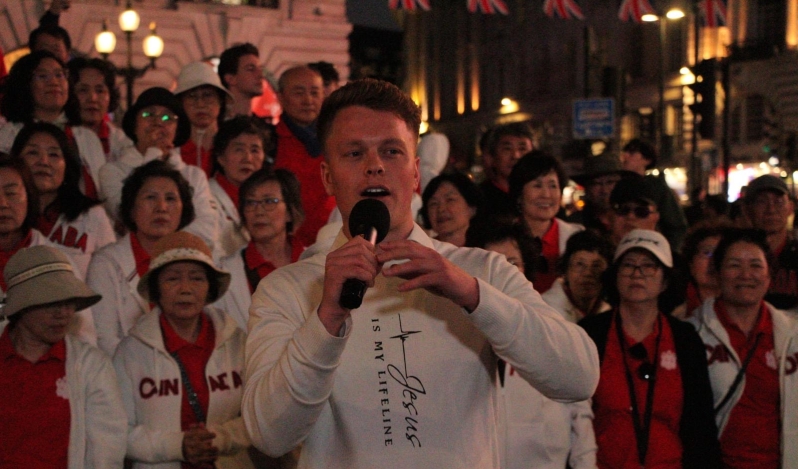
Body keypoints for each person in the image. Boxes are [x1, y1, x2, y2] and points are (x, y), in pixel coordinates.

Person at [242, 78, 599, 468]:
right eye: (354, 153)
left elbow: (578, 377)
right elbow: (269, 435)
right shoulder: (286, 289)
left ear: (415, 173)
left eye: (391, 151)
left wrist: (472, 295)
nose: (374, 165)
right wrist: (326, 319)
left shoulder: (481, 271)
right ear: (328, 176)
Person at [578, 229, 721, 468]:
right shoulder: (590, 333)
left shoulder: (685, 339)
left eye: (648, 266)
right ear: (615, 276)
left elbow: (701, 425)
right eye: (628, 265)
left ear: (665, 280)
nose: (637, 274)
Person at [114, 231, 254, 468]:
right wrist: (177, 445)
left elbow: (258, 415)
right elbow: (118, 430)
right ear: (156, 289)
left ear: (209, 288)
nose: (185, 289)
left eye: (197, 278)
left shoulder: (237, 342)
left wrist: (219, 439)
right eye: (172, 279)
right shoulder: (130, 352)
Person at [480, 225, 598, 469]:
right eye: (493, 263)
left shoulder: (551, 327)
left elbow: (580, 413)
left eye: (512, 263)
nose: (503, 271)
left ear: (526, 269)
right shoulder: (459, 331)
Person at [0, 245, 127, 468]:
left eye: (69, 301)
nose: (63, 313)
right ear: (22, 306)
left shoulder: (91, 366)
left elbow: (106, 451)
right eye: (51, 302)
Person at [686, 229, 798, 468]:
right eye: (734, 265)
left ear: (769, 276)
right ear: (717, 274)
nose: (746, 275)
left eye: (756, 265)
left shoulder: (793, 334)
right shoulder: (690, 334)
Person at [88, 160, 195, 356]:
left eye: (170, 198)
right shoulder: (106, 263)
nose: (161, 207)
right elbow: (104, 339)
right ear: (131, 208)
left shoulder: (196, 259)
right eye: (150, 197)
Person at [98, 87, 219, 251]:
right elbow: (132, 219)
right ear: (134, 125)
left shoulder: (194, 175)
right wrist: (154, 153)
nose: (158, 122)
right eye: (148, 115)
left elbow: (207, 229)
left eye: (167, 117)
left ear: (176, 130)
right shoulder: (112, 172)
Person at [10, 122, 115, 278]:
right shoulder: (7, 215)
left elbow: (112, 273)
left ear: (67, 165)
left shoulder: (92, 215)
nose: (43, 161)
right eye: (33, 152)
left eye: (53, 154)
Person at [0, 51, 106, 199]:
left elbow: (101, 191)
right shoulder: (8, 135)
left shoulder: (87, 137)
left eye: (59, 75)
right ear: (25, 84)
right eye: (42, 76)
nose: (54, 82)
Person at [214, 168, 305, 329]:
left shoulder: (315, 261)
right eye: (250, 203)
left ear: (290, 212)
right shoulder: (225, 271)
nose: (258, 211)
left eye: (269, 201)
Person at [273, 65, 335, 247]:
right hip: (285, 246)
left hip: (333, 242)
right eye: (299, 93)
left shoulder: (338, 141)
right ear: (280, 97)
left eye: (314, 93)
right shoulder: (268, 142)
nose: (308, 100)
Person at [508, 151, 584, 293]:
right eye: (537, 186)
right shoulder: (503, 238)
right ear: (519, 194)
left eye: (553, 186)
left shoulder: (577, 236)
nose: (546, 194)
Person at [209, 116, 270, 257]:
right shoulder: (204, 197)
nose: (247, 158)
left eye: (255, 150)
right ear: (220, 157)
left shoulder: (272, 198)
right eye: (239, 150)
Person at [742, 174, 798, 314]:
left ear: (790, 207)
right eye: (762, 202)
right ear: (747, 209)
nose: (771, 210)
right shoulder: (737, 254)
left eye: (778, 202)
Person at [620, 139, 688, 251]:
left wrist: (667, 252)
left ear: (647, 160)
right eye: (625, 152)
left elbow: (675, 225)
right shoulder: (618, 184)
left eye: (632, 153)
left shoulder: (656, 187)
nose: (625, 156)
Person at [175, 61, 233, 177]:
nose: (200, 104)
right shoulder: (172, 151)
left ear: (220, 101)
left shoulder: (232, 147)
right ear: (181, 103)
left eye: (207, 95)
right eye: (192, 96)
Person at [66, 57, 130, 161]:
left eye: (100, 91)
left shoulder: (122, 141)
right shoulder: (60, 137)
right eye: (83, 90)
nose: (92, 98)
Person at [543, 230, 613, 323]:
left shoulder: (612, 311)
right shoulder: (544, 310)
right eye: (580, 264)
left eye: (596, 266)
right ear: (566, 270)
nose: (588, 273)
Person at [478, 122, 534, 225]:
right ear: (492, 158)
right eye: (507, 149)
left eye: (522, 149)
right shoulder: (479, 198)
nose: (516, 156)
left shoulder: (539, 196)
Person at [672, 221, 730, 319]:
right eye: (707, 253)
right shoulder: (677, 318)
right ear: (691, 264)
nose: (713, 261)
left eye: (720, 253)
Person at [568, 152, 632, 234]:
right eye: (596, 184)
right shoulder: (574, 225)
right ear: (587, 189)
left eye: (610, 182)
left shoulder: (633, 218)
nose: (604, 190)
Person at [420, 172, 482, 247]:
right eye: (434, 203)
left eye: (450, 200)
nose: (441, 209)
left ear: (472, 208)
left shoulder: (488, 249)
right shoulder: (422, 249)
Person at [218, 43, 264, 119]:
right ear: (230, 79)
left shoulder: (261, 125)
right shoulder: (214, 124)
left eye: (260, 69)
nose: (260, 75)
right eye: (251, 69)